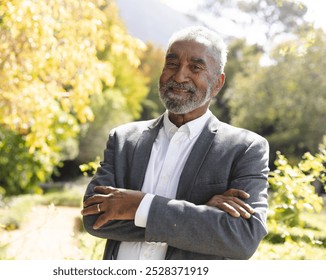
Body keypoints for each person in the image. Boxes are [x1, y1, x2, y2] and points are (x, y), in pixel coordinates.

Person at [81, 26, 269, 260]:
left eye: (195, 67)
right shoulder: (123, 140)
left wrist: (139, 206)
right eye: (172, 64)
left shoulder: (245, 148)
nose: (179, 76)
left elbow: (243, 237)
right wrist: (202, 212)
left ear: (218, 83)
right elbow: (93, 217)